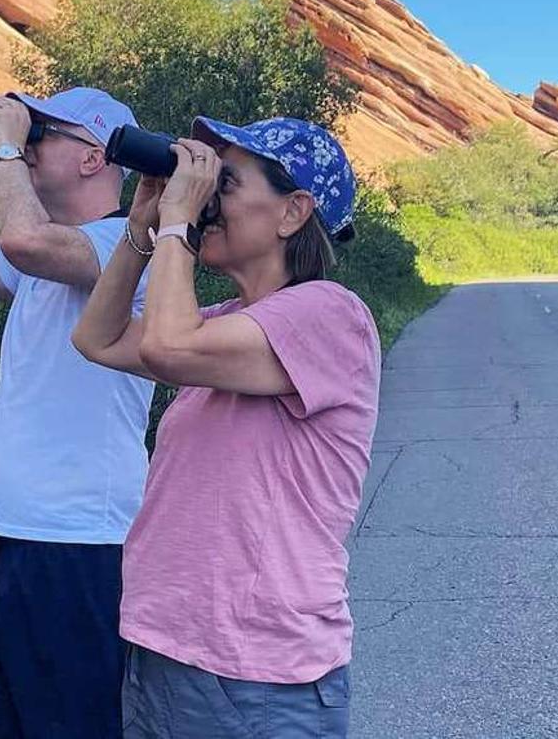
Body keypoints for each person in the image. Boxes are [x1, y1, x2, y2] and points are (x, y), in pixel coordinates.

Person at [71, 116, 382, 738]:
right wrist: (141, 229)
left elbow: (165, 347)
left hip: (254, 671)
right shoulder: (224, 321)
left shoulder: (329, 314)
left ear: (293, 212)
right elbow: (97, 338)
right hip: (167, 648)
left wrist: (180, 224)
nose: (210, 200)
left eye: (227, 183)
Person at [0, 87, 155, 739]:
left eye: (47, 131)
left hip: (82, 545)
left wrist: (11, 142)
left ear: (93, 156)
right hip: (19, 537)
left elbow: (22, 238)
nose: (30, 137)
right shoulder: (44, 262)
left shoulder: (122, 249)